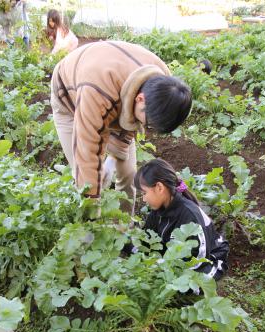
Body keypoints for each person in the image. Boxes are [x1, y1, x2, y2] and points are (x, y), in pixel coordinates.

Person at [50, 40, 192, 212]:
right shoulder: (97, 90)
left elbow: (132, 121)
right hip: (69, 96)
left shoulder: (165, 85)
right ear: (140, 99)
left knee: (128, 174)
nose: (145, 127)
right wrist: (91, 201)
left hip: (115, 94)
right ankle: (90, 228)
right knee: (86, 177)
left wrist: (113, 158)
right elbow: (87, 148)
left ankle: (124, 228)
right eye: (147, 122)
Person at [134, 158, 229, 281]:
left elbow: (198, 261)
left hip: (209, 258)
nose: (144, 199)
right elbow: (145, 242)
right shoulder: (159, 209)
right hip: (174, 255)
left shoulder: (189, 216)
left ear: (159, 187)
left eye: (144, 193)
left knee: (187, 282)